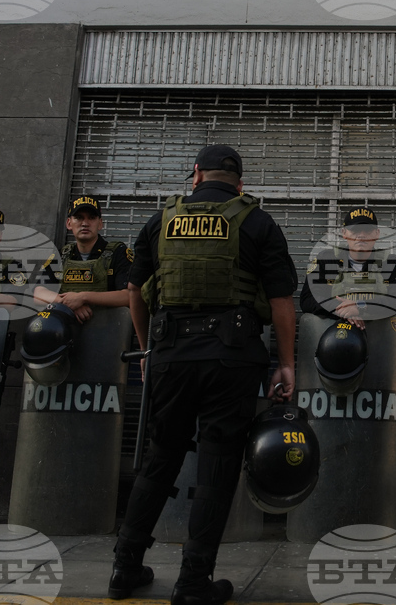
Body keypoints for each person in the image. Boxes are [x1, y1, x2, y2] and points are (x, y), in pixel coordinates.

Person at [109, 145, 298, 605]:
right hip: (231, 356)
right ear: (240, 183)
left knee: (160, 457)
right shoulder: (258, 222)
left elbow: (134, 291)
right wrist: (286, 363)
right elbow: (280, 302)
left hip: (170, 353)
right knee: (218, 465)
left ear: (195, 175)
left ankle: (124, 569)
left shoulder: (160, 220)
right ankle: (193, 581)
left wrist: (147, 349)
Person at [299, 207, 396, 330]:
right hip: (332, 332)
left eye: (367, 230)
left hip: (378, 334)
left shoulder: (392, 263)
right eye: (355, 230)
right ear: (344, 233)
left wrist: (360, 306)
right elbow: (308, 299)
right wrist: (341, 309)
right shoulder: (326, 260)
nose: (361, 235)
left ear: (377, 234)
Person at [33, 195, 131, 322]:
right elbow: (38, 293)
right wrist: (68, 303)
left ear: (100, 224)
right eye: (79, 217)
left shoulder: (118, 252)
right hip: (66, 328)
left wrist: (83, 297)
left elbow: (128, 296)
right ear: (69, 223)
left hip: (107, 328)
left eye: (92, 218)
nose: (85, 223)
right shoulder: (62, 254)